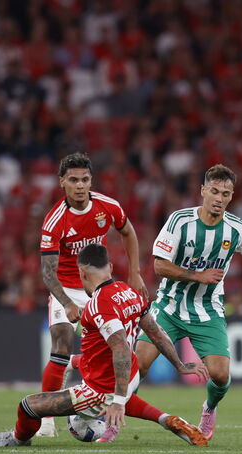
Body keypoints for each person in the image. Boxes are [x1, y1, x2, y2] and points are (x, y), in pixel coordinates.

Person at [0, 243, 209, 447]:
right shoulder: (130, 292)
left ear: (81, 272)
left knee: (28, 406)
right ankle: (166, 419)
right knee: (91, 372)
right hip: (131, 375)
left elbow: (119, 348)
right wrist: (179, 365)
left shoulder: (98, 305)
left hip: (103, 388)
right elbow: (156, 333)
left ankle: (18, 439)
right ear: (109, 266)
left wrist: (117, 402)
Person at [135, 164, 242, 441]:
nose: (219, 198)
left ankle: (209, 408)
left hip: (206, 311)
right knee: (138, 366)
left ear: (232, 196)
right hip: (168, 307)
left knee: (219, 374)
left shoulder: (237, 229)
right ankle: (112, 414)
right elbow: (159, 265)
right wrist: (198, 275)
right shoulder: (180, 221)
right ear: (203, 191)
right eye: (214, 191)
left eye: (226, 194)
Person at [35, 152, 149, 437]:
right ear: (62, 182)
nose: (80, 186)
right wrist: (66, 303)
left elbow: (128, 232)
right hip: (66, 288)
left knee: (119, 347)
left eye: (85, 179)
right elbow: (48, 273)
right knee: (61, 341)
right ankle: (46, 421)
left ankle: (113, 403)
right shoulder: (54, 222)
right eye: (73, 180)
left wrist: (135, 272)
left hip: (98, 288)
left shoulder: (106, 206)